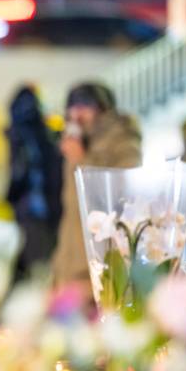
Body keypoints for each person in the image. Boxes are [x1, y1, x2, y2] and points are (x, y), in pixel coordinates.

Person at [52, 82, 141, 290]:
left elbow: (123, 192)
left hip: (104, 260)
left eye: (84, 105)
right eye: (72, 106)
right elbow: (71, 211)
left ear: (102, 108)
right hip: (71, 260)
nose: (76, 113)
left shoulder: (122, 138)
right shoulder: (77, 141)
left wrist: (82, 159)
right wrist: (58, 266)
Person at [5, 85, 63, 278]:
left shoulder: (24, 135)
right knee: (41, 260)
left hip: (38, 209)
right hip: (42, 209)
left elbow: (19, 173)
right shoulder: (38, 134)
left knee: (40, 263)